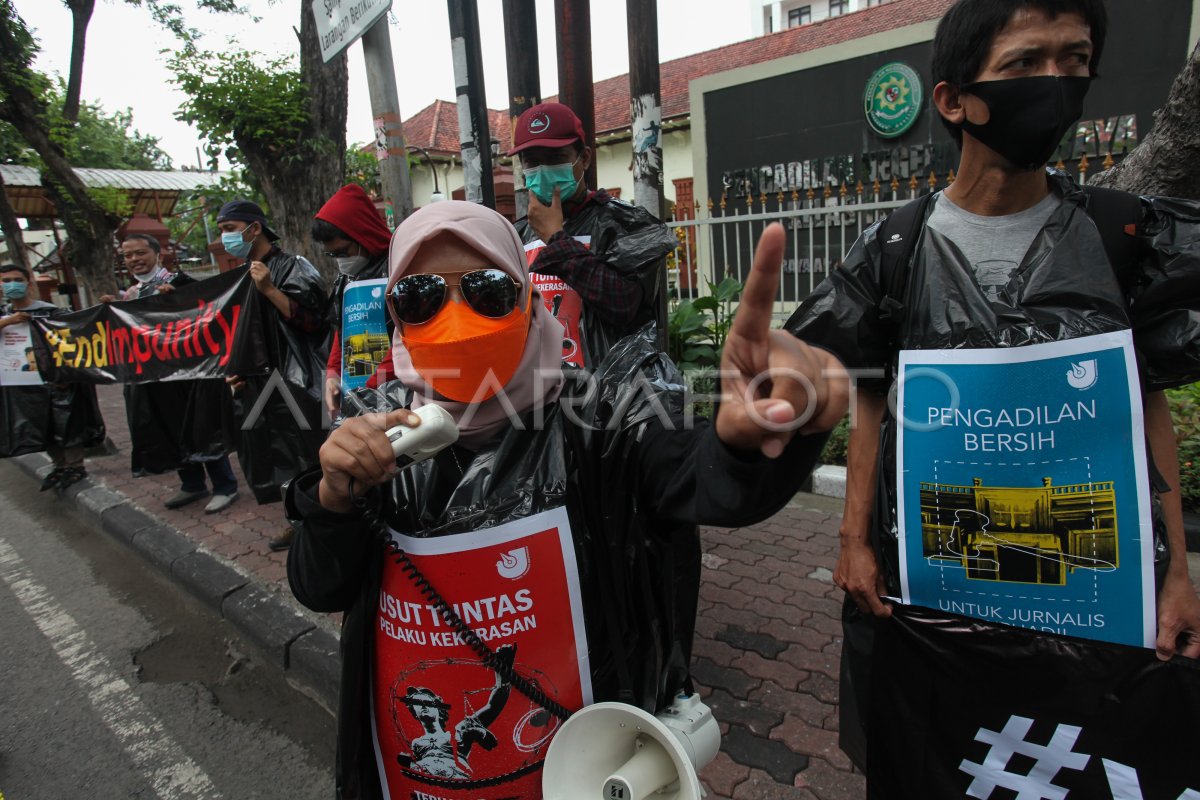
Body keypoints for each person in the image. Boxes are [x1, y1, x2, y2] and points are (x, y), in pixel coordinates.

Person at [285, 201, 847, 799]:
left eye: (486, 290)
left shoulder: (602, 418)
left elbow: (704, 481)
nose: (456, 319)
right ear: (396, 318)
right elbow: (318, 587)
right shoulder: (373, 435)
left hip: (584, 772)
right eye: (420, 296)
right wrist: (333, 497)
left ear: (530, 301)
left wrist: (758, 439)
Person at [783, 0, 1200, 770]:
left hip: (1088, 591)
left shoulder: (1116, 235)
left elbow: (1145, 403)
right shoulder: (898, 248)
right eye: (1024, 63)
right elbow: (873, 396)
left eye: (1074, 59)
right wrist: (853, 541)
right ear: (954, 99)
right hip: (939, 585)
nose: (1056, 81)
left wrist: (1176, 572)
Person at [263, 185, 392, 553]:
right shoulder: (348, 277)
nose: (340, 260)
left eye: (343, 251)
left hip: (391, 394)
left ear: (363, 236)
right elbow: (342, 328)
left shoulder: (400, 266)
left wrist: (372, 387)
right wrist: (333, 373)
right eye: (332, 254)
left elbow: (408, 338)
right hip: (356, 394)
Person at [510, 101, 677, 367]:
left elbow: (627, 306)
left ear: (585, 158)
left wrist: (556, 240)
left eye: (555, 158)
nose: (543, 171)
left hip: (606, 389)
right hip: (538, 386)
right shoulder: (516, 234)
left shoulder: (624, 224)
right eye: (532, 161)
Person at [112, 233, 239, 514]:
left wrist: (179, 301)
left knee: (202, 426)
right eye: (128, 256)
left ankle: (225, 486)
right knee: (171, 428)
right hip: (157, 376)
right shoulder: (131, 295)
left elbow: (208, 315)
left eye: (140, 253)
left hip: (191, 373)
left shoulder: (183, 284)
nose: (134, 260)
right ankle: (192, 484)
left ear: (158, 254)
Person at [216, 200, 329, 510]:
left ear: (255, 229)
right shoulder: (240, 277)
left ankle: (318, 517)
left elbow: (315, 322)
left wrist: (269, 289)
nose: (225, 237)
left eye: (230, 229)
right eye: (221, 230)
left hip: (296, 380)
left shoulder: (293, 266)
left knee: (308, 454)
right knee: (275, 456)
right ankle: (295, 517)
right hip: (259, 383)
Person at [0, 263, 104, 489]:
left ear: (29, 283)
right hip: (23, 381)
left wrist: (66, 374)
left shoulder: (50, 312)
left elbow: (74, 339)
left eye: (17, 280)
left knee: (67, 423)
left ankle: (75, 467)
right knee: (41, 424)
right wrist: (8, 321)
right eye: (6, 281)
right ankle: (60, 466)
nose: (12, 285)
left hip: (57, 379)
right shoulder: (5, 316)